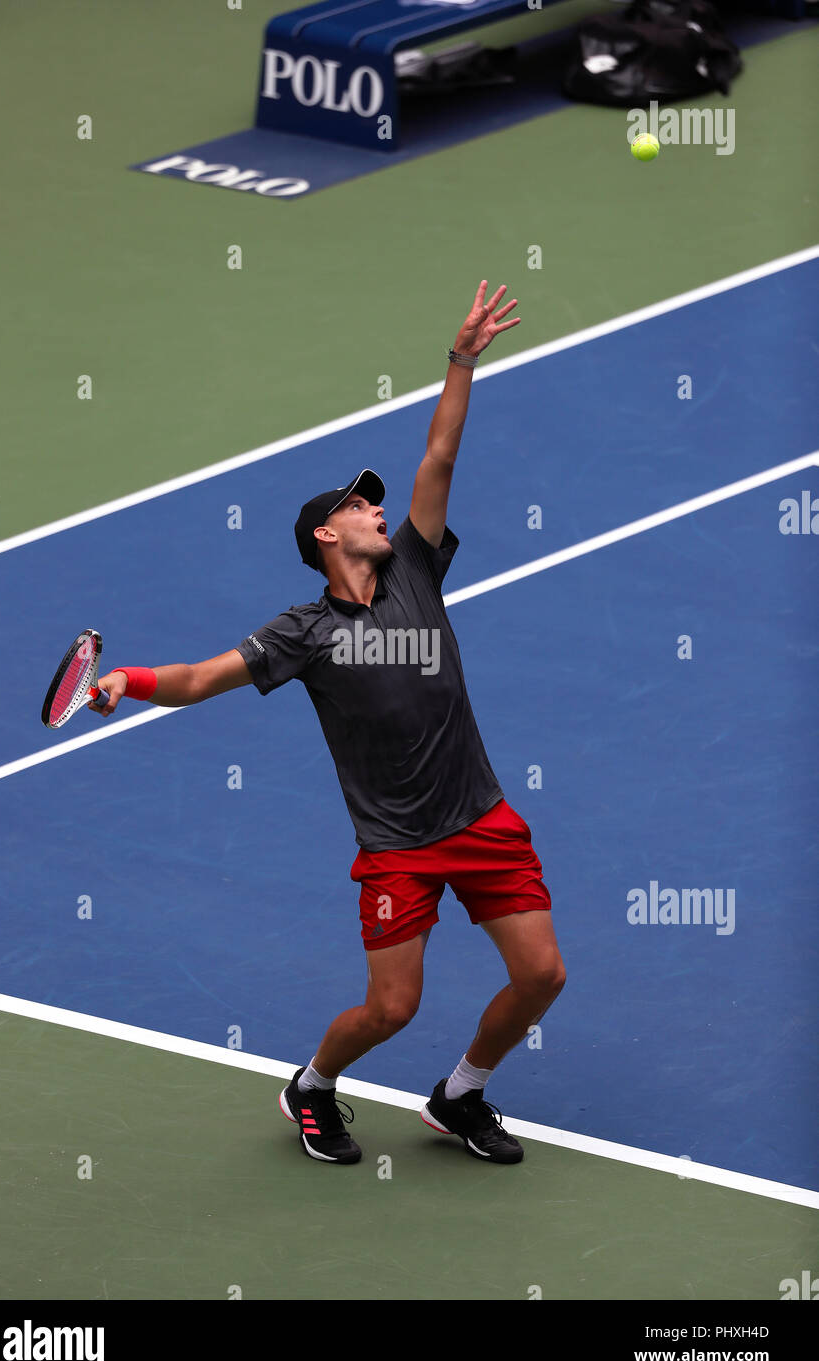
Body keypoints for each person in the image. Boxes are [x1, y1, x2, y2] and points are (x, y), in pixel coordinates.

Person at [90, 280, 566, 1167]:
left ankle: (461, 1094)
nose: (378, 509)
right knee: (391, 1009)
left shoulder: (417, 571)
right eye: (359, 506)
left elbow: (440, 455)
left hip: (482, 816)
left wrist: (460, 360)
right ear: (325, 537)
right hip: (397, 845)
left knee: (542, 974)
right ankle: (313, 1085)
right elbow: (198, 679)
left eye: (376, 503)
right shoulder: (300, 634)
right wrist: (131, 678)